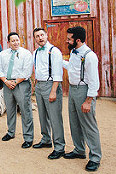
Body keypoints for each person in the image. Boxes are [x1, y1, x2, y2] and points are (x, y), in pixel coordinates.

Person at [62, 26, 102, 172]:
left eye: (69, 39)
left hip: (84, 91)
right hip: (73, 90)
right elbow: (72, 69)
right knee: (74, 122)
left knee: (89, 125)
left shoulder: (89, 56)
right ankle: (79, 150)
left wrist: (88, 101)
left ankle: (95, 157)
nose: (67, 41)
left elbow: (94, 81)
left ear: (77, 40)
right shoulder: (73, 51)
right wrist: (58, 61)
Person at [31, 27, 67, 160]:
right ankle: (46, 139)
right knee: (42, 115)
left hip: (51, 85)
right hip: (39, 85)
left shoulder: (54, 51)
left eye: (42, 35)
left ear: (46, 35)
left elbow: (58, 73)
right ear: (34, 39)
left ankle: (59, 147)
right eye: (37, 36)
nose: (40, 38)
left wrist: (53, 91)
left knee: (55, 117)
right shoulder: (35, 52)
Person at [0, 32, 35, 149]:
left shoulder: (26, 54)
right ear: (8, 43)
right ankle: (10, 132)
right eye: (13, 41)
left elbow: (27, 71)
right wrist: (6, 81)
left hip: (21, 84)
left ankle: (28, 137)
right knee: (10, 109)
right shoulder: (3, 54)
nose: (16, 43)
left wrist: (15, 82)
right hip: (7, 84)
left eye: (17, 40)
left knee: (25, 110)